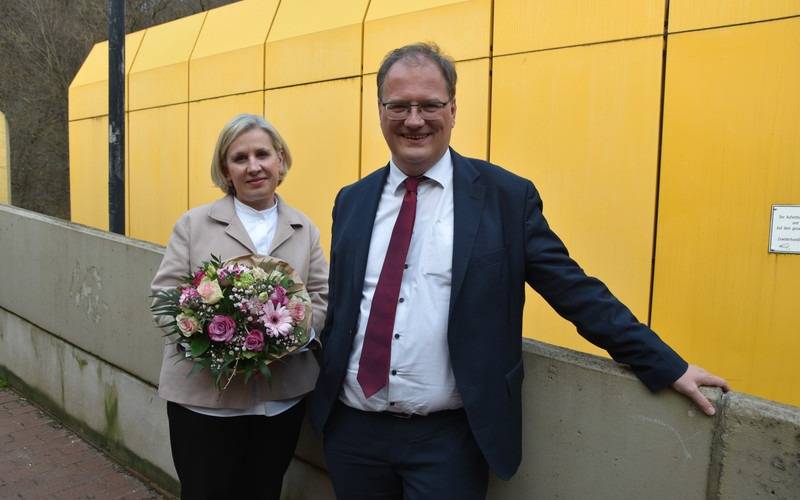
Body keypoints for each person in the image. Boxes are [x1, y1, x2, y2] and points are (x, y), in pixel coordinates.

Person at [310, 43, 729, 500]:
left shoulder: (506, 198)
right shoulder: (351, 200)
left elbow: (573, 290)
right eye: (399, 106)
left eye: (429, 105)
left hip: (448, 442)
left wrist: (664, 363)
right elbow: (346, 307)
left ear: (453, 109)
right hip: (352, 433)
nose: (414, 120)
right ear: (380, 110)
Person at [151, 114, 328, 500]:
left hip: (280, 400)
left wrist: (294, 336)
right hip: (204, 402)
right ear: (225, 170)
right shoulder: (193, 224)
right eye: (240, 158)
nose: (253, 166)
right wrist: (208, 343)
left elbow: (320, 296)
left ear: (280, 159)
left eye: (262, 154)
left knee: (264, 491)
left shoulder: (305, 228)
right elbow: (164, 295)